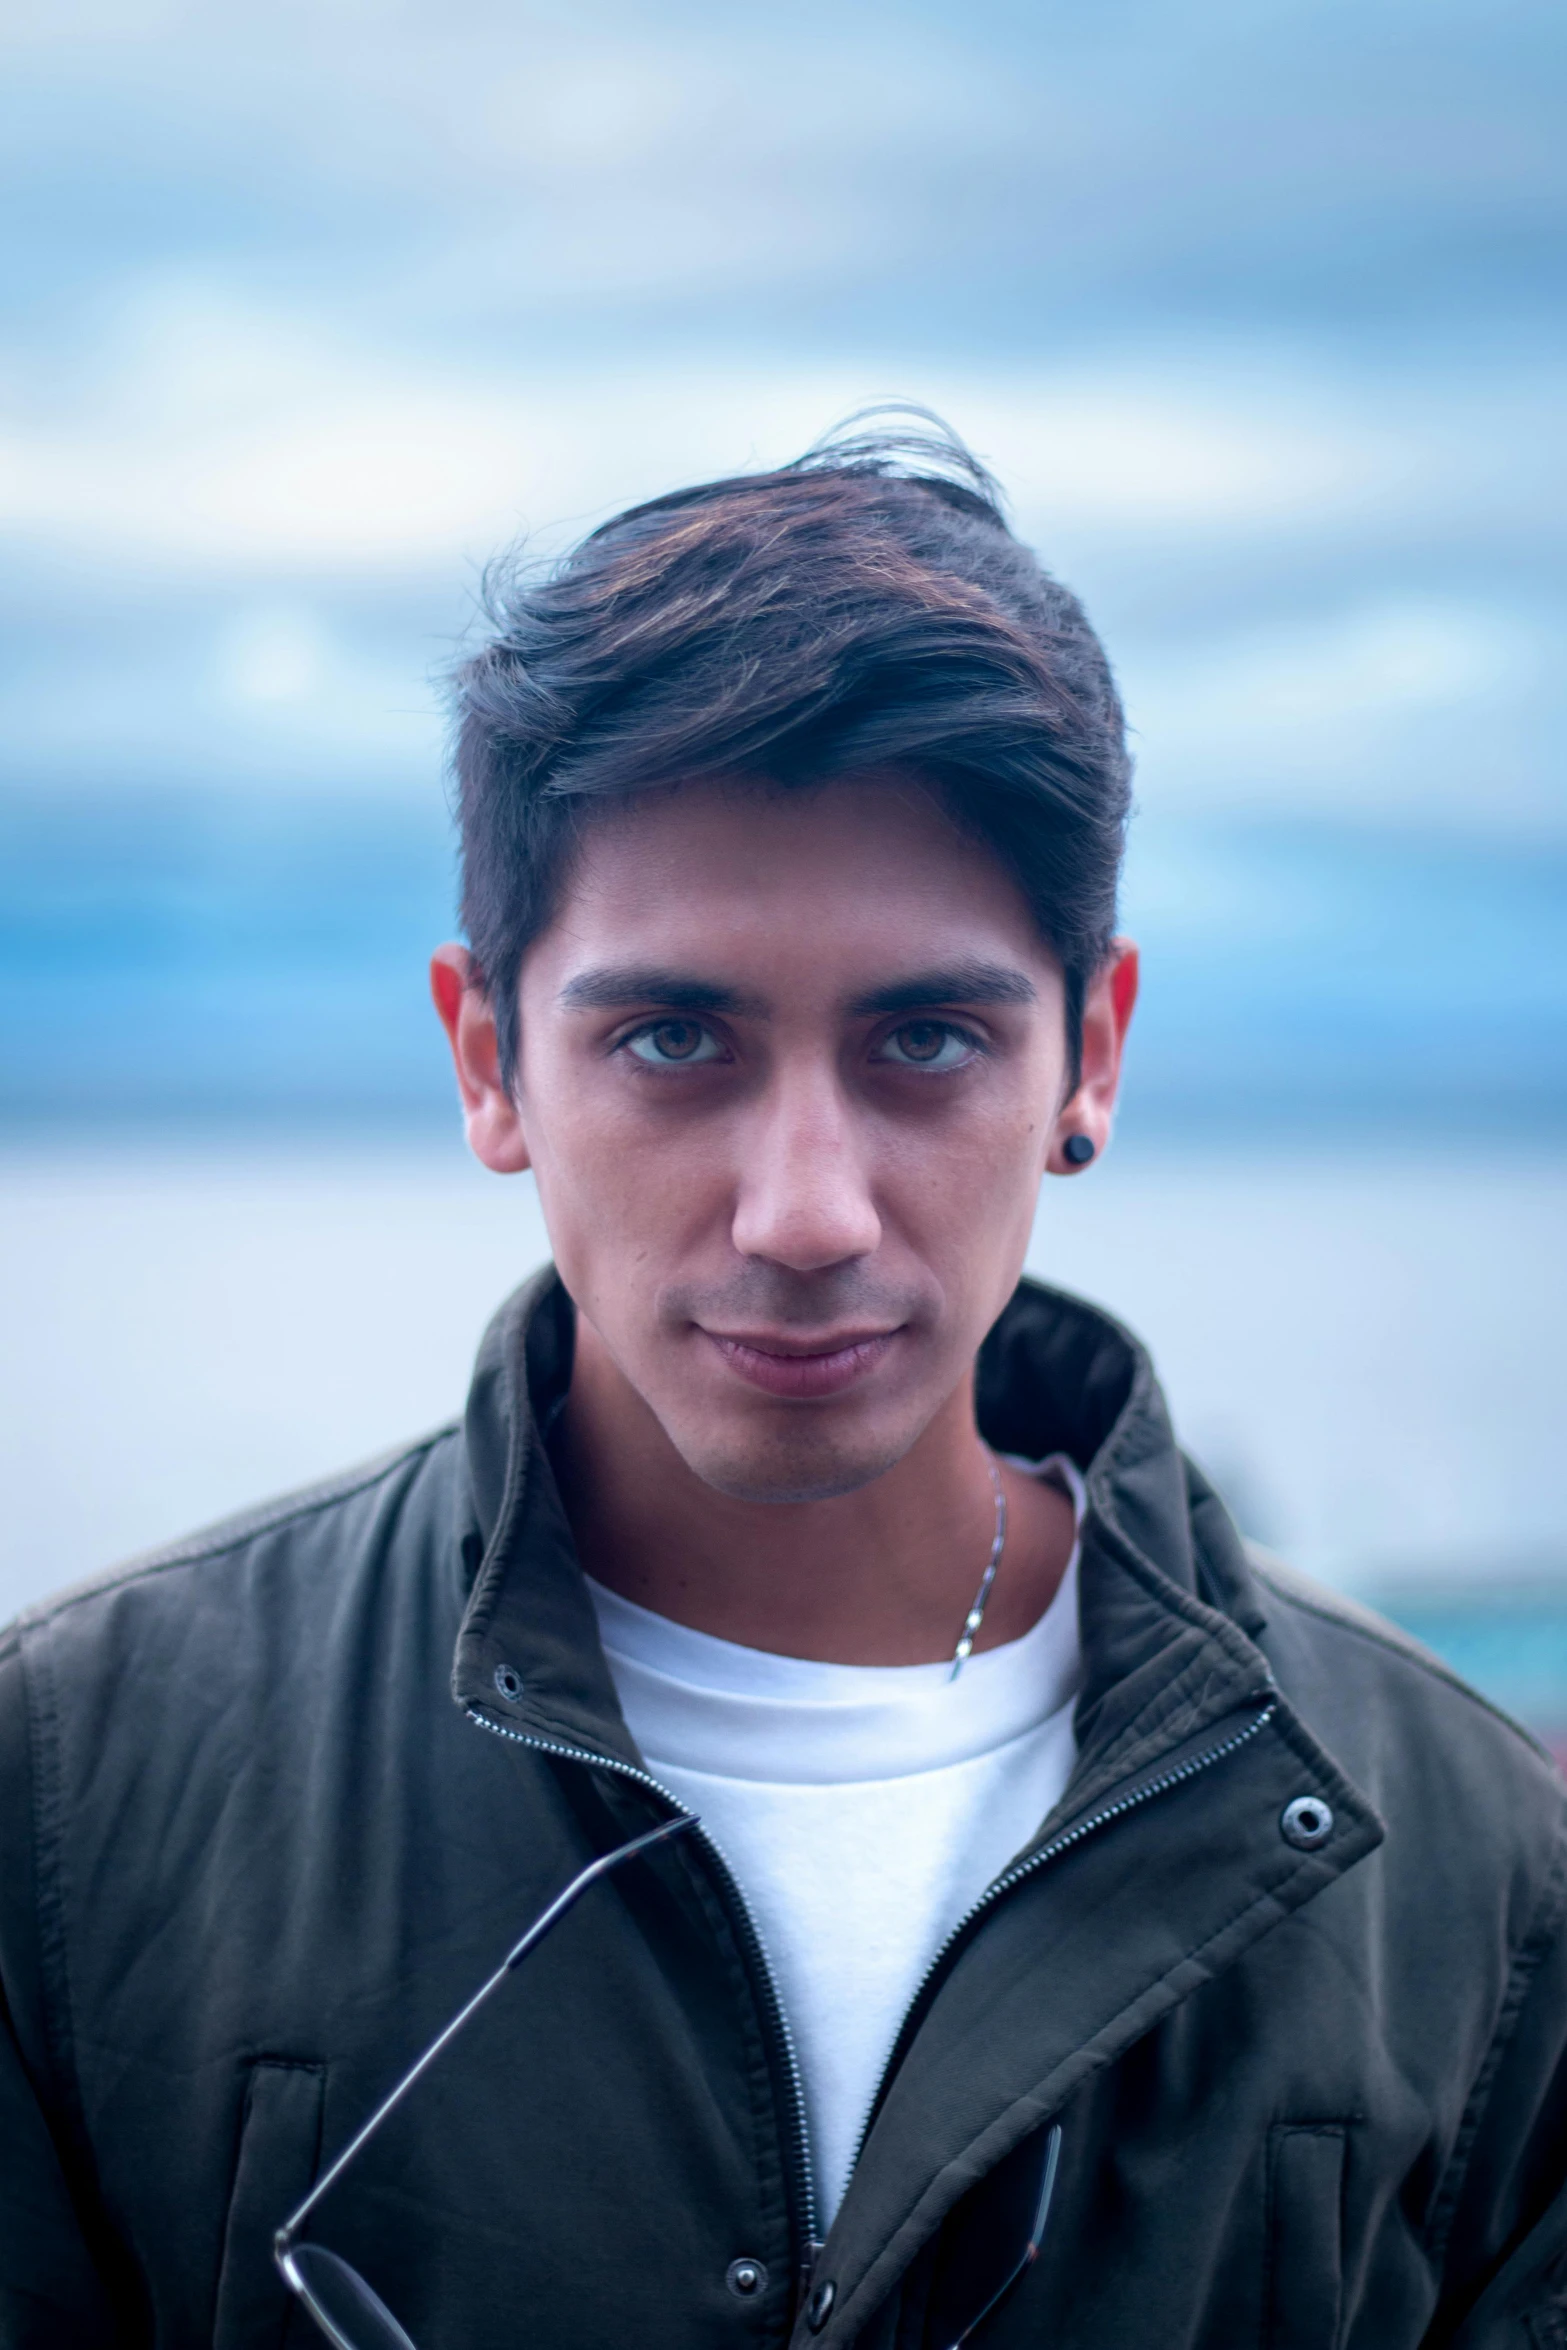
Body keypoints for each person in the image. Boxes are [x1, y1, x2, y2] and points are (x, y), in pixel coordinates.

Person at [2, 420, 1563, 2350]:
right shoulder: (69, 1801)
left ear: (1091, 1052)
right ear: (487, 1059)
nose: (805, 1210)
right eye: (672, 1038)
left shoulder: (1473, 1870)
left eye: (923, 1037)